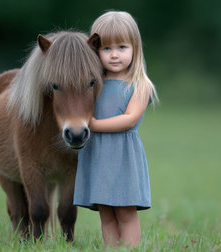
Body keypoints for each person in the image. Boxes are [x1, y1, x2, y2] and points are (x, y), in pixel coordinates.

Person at [73, 11, 158, 248]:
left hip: (123, 156)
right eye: (106, 48)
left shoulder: (140, 84)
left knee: (125, 211)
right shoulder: (93, 84)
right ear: (95, 50)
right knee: (106, 211)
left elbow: (130, 119)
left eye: (122, 47)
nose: (114, 55)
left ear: (135, 48)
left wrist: (94, 125)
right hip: (97, 155)